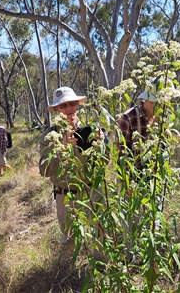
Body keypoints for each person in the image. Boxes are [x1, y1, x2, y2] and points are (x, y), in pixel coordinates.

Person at [39, 87, 106, 263]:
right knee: (68, 236)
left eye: (72, 103)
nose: (69, 108)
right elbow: (44, 170)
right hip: (65, 194)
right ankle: (67, 273)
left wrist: (102, 145)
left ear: (78, 104)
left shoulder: (89, 130)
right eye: (63, 105)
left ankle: (101, 268)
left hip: (91, 191)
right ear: (56, 109)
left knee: (100, 231)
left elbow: (103, 163)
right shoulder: (49, 135)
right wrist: (60, 148)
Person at [117, 86, 159, 262]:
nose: (163, 106)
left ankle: (150, 254)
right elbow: (120, 153)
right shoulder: (128, 117)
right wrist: (127, 183)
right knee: (131, 219)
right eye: (159, 102)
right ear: (148, 101)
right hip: (132, 177)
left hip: (154, 177)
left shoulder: (162, 117)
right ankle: (130, 258)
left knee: (153, 217)